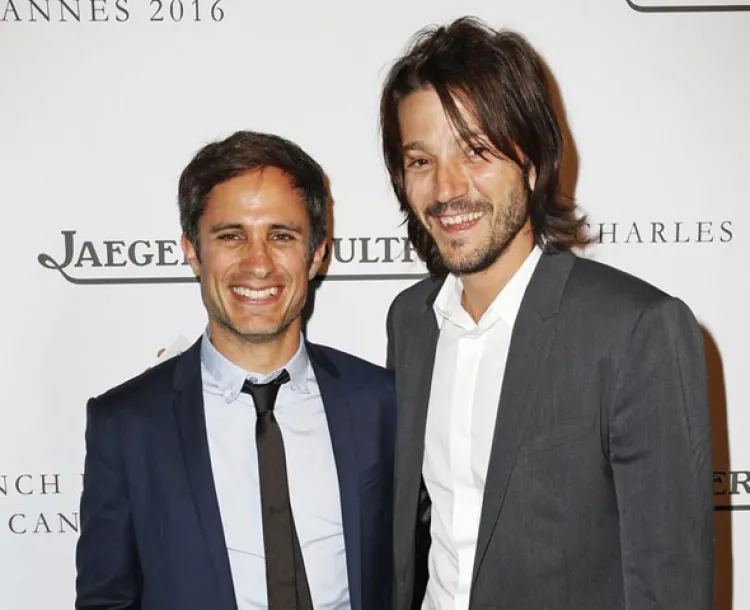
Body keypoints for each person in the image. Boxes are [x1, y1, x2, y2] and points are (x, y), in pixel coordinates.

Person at [380, 16, 713, 610]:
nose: (447, 188)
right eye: (421, 161)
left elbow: (670, 587)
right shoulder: (410, 322)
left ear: (532, 162)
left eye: (476, 151)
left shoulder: (635, 330)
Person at [74, 131, 396, 610]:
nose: (258, 263)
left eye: (281, 236)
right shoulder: (126, 425)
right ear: (191, 250)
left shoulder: (383, 402)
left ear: (317, 254)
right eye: (231, 236)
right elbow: (106, 601)